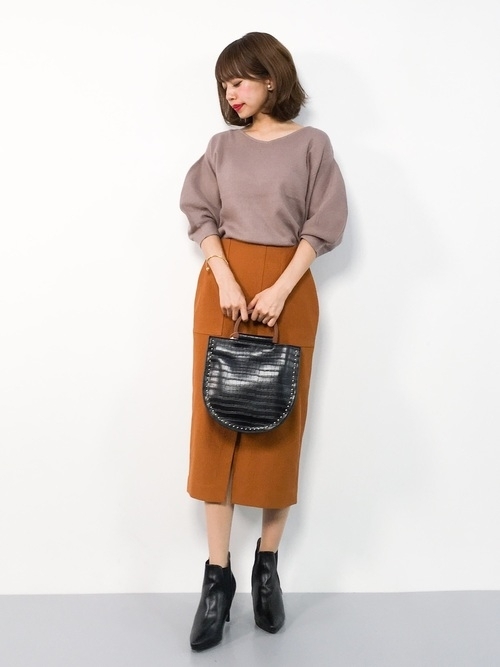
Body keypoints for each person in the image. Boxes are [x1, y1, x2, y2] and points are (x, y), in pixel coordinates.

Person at [179, 32, 348, 651]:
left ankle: (267, 569)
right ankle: (216, 580)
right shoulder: (221, 147)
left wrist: (279, 288)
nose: (231, 93)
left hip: (288, 292)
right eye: (224, 85)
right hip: (222, 289)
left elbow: (323, 223)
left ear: (270, 78)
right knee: (214, 427)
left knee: (278, 426)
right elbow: (200, 214)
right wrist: (225, 277)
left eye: (239, 81)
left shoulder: (312, 145)